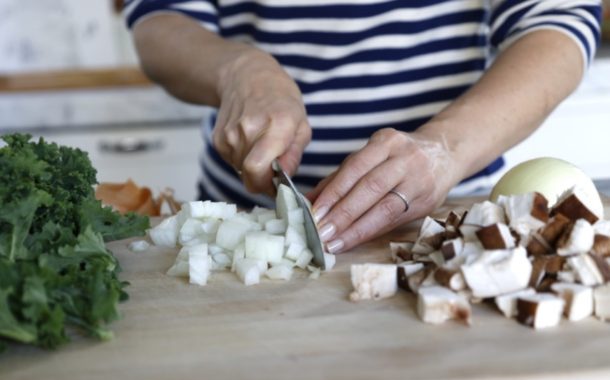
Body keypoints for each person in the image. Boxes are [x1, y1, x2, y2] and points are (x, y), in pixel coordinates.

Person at [125, 0, 602, 253]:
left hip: (453, 224)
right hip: (243, 223)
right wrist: (237, 70)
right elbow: (159, 21)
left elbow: (557, 18)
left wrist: (446, 149)